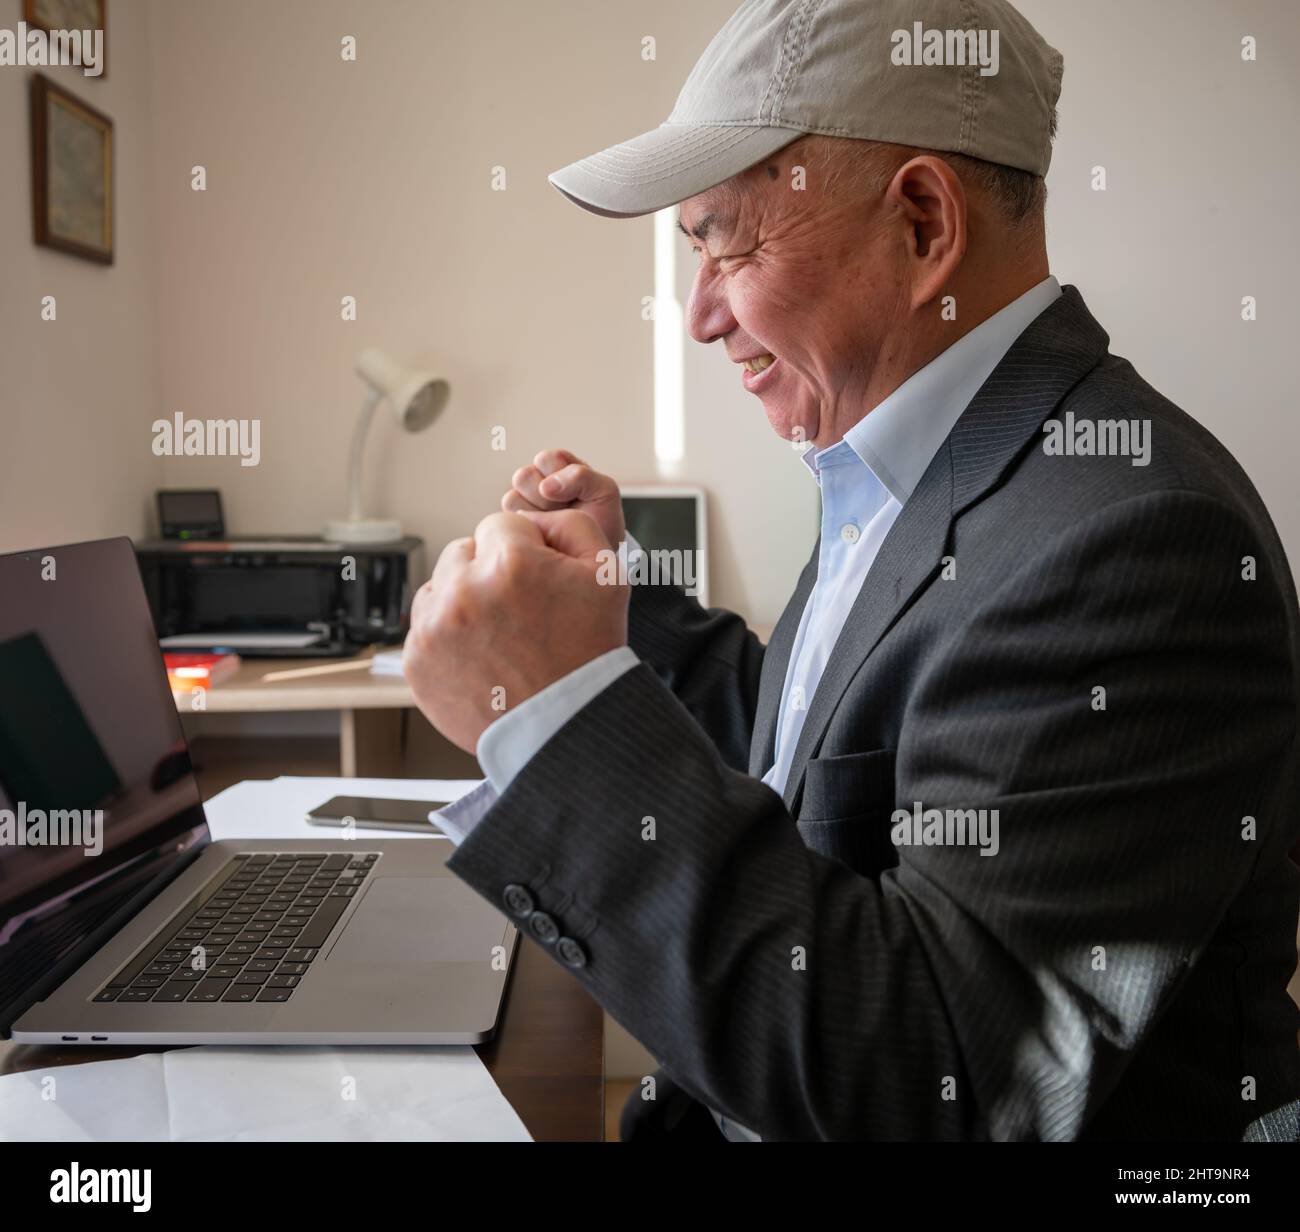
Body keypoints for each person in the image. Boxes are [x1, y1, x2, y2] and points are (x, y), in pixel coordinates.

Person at [401, 0, 1300, 1140]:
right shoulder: (916, 455)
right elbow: (825, 759)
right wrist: (613, 617)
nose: (700, 316)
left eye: (727, 238)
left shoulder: (1131, 540)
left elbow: (946, 1076)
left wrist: (551, 714)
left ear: (923, 222)